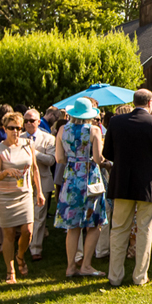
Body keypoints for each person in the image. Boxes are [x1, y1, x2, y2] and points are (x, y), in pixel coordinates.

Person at [101, 88, 152, 287]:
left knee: (118, 230)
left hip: (122, 181)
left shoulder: (116, 122)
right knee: (145, 230)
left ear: (134, 102)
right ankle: (140, 276)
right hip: (148, 184)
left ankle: (114, 276)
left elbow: (108, 152)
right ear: (150, 103)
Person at [52, 98, 107, 277]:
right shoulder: (94, 130)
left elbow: (59, 158)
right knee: (94, 223)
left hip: (71, 178)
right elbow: (98, 158)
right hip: (90, 177)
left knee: (73, 226)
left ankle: (70, 267)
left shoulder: (62, 129)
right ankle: (86, 265)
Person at [0, 113, 44, 284]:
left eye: (18, 128)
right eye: (12, 128)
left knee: (28, 231)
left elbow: (35, 169)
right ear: (5, 129)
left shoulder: (28, 144)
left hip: (25, 193)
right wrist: (6, 172)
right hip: (6, 195)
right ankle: (10, 270)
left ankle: (20, 255)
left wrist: (40, 192)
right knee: (8, 234)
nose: (15, 131)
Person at [23, 107, 57, 261]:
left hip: (42, 181)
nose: (28, 124)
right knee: (25, 216)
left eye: (32, 120)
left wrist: (33, 152)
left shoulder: (48, 138)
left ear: (38, 121)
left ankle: (35, 249)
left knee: (39, 216)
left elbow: (51, 160)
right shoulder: (19, 138)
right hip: (23, 183)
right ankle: (23, 246)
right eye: (26, 121)